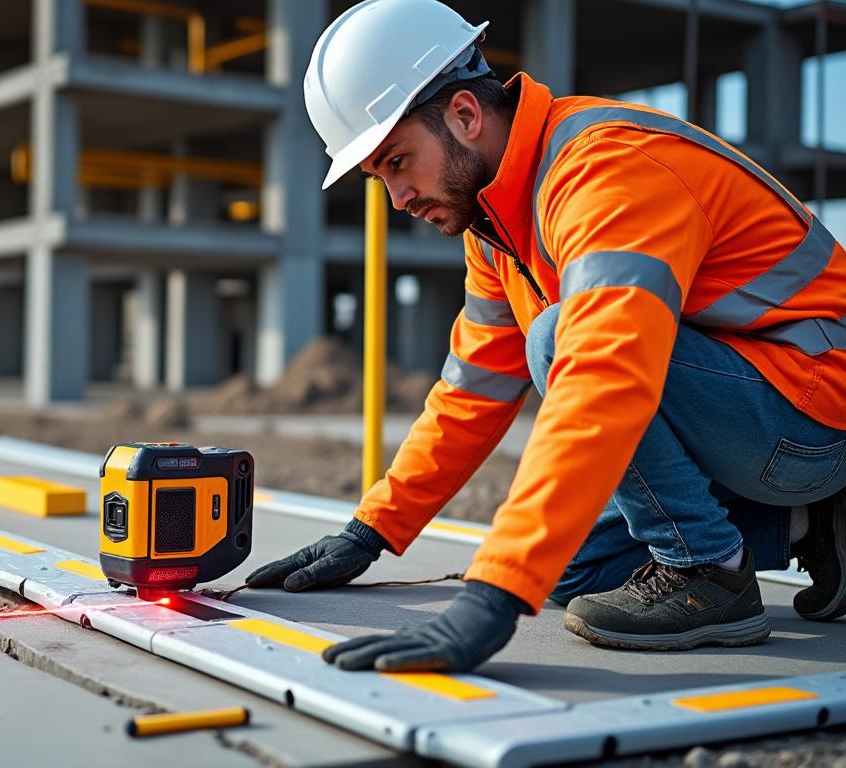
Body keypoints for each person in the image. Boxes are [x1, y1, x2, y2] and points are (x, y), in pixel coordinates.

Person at [245, 0, 846, 673]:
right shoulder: (497, 226)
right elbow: (470, 394)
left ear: (465, 116)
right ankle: (810, 524)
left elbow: (603, 375)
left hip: (814, 410)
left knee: (560, 338)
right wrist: (374, 530)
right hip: (756, 418)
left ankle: (709, 570)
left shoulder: (604, 169)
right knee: (571, 575)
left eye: (398, 161)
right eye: (379, 175)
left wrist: (494, 593)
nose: (398, 197)